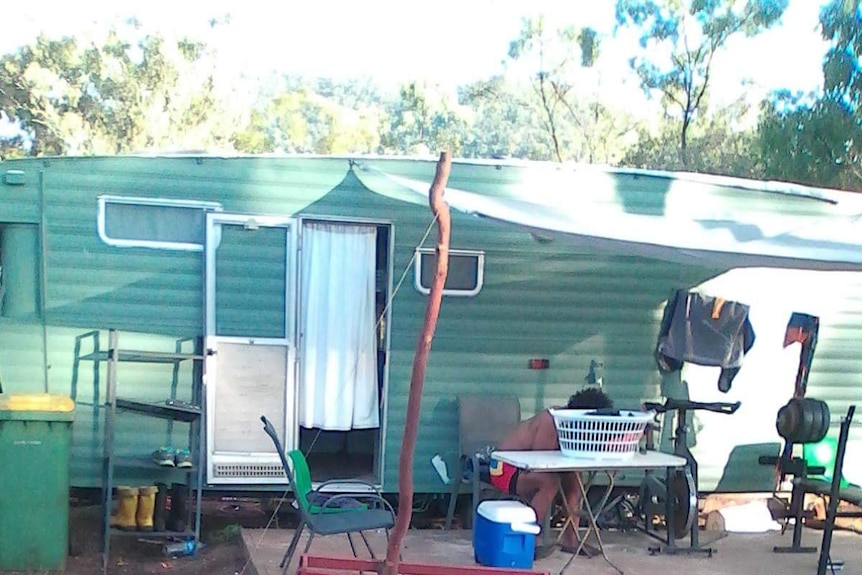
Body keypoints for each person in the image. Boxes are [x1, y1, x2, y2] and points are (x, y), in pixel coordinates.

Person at [488, 387, 614, 557]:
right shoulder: (552, 421)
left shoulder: (574, 426)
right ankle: (528, 536)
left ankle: (571, 538)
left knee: (575, 477)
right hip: (502, 469)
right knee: (549, 481)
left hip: (524, 469)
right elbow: (541, 462)